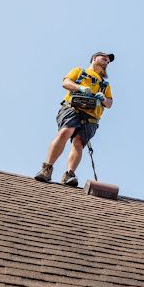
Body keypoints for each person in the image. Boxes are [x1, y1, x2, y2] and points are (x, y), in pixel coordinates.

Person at [35, 52, 114, 187]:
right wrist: (80, 88)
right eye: (104, 58)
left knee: (79, 142)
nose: (106, 62)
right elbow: (65, 82)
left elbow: (110, 103)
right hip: (73, 108)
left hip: (91, 117)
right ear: (94, 59)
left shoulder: (105, 85)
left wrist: (103, 98)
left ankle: (69, 174)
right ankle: (46, 169)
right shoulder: (79, 71)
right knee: (65, 132)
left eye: (108, 61)